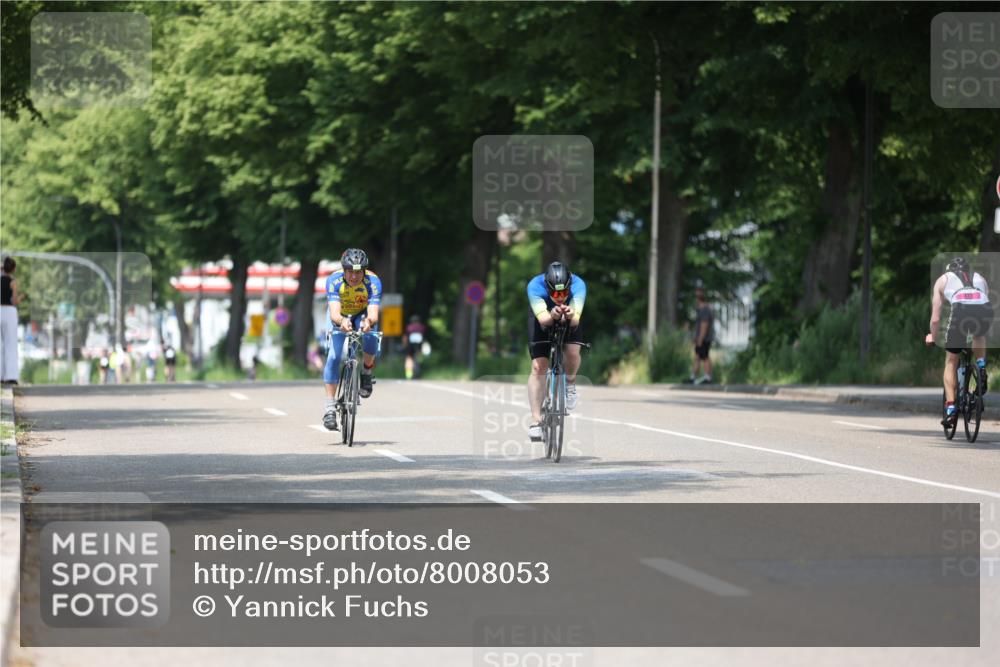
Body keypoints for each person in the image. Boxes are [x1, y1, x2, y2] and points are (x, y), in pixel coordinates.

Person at [925, 257, 993, 427]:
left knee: (951, 361)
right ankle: (981, 367)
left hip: (961, 311)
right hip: (984, 310)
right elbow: (982, 301)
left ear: (949, 270)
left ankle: (951, 409)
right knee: (978, 335)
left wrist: (932, 336)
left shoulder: (942, 280)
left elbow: (935, 318)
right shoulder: (980, 278)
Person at [526, 261, 587, 441]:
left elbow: (575, 321)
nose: (560, 297)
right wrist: (552, 314)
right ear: (547, 287)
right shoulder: (535, 286)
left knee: (573, 353)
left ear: (570, 286)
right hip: (542, 317)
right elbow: (544, 320)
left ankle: (570, 384)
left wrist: (569, 314)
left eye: (564, 293)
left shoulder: (578, 285)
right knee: (538, 367)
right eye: (555, 294)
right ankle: (536, 420)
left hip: (570, 316)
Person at [322, 248, 382, 431]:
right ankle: (330, 407)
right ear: (344, 270)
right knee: (333, 357)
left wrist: (368, 322)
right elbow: (334, 313)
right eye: (350, 272)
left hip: (362, 314)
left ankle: (366, 372)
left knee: (371, 337)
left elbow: (373, 313)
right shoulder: (334, 281)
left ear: (364, 271)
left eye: (358, 272)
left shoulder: (373, 282)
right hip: (340, 315)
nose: (354, 277)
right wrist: (342, 322)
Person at [685, 288, 714, 385]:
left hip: (704, 339)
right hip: (700, 338)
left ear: (699, 299)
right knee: (697, 357)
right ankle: (693, 377)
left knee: (705, 356)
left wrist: (700, 338)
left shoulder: (705, 310)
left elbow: (704, 326)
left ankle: (708, 377)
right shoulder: (700, 310)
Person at [1, 257, 21, 385]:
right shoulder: (13, 282)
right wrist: (21, 297)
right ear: (13, 269)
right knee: (11, 343)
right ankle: (11, 376)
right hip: (9, 311)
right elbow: (14, 301)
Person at [404, 314, 427, 380]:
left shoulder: (409, 327)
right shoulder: (422, 327)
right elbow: (424, 337)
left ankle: (408, 375)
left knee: (409, 358)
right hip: (419, 345)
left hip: (411, 345)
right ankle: (418, 371)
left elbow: (405, 337)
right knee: (418, 356)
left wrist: (405, 345)